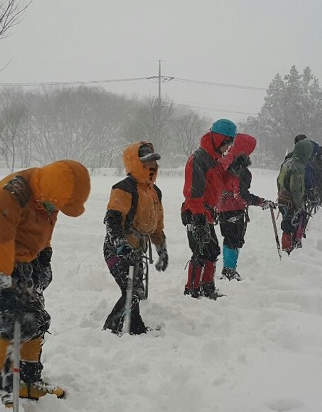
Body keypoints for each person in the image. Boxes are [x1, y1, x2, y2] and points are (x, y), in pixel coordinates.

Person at [0, 160, 91, 403]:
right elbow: (0, 243)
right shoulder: (11, 195)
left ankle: (28, 380)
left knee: (37, 319)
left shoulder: (49, 196)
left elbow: (43, 229)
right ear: (47, 192)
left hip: (24, 259)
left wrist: (44, 256)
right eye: (54, 205)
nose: (54, 210)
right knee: (16, 321)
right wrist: (2, 288)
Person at [102, 142, 169, 334]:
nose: (152, 166)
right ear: (135, 163)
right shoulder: (124, 188)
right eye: (147, 162)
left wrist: (161, 249)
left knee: (134, 290)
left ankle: (135, 327)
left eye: (154, 162)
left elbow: (157, 226)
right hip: (116, 250)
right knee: (132, 291)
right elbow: (113, 219)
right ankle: (110, 330)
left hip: (137, 250)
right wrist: (120, 243)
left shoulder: (155, 192)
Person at [182, 118, 235, 298]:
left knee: (212, 251)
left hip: (206, 213)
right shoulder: (199, 159)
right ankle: (192, 289)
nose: (227, 148)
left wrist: (234, 169)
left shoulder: (213, 160)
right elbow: (193, 192)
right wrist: (198, 217)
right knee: (201, 252)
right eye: (226, 144)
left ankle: (207, 287)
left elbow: (220, 184)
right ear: (218, 139)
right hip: (196, 213)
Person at [215, 133, 271, 280]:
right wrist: (259, 201)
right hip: (234, 208)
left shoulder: (224, 161)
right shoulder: (239, 167)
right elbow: (240, 194)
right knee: (234, 240)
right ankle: (229, 270)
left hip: (221, 207)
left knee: (228, 238)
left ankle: (228, 268)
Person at [277, 138, 315, 253]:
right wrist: (299, 205)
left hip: (283, 200)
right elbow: (295, 189)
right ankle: (292, 251)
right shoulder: (298, 166)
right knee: (294, 227)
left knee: (287, 227)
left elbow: (278, 180)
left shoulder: (287, 162)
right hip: (291, 202)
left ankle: (287, 249)